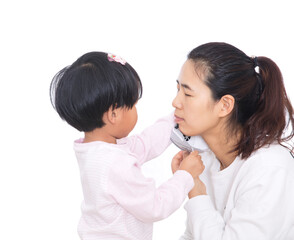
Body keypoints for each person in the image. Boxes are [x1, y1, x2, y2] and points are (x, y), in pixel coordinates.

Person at [49, 51, 204, 240]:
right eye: (133, 105)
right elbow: (155, 206)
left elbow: (144, 144)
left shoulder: (96, 149)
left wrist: (175, 117)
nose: (135, 110)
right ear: (113, 115)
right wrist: (185, 175)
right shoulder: (114, 163)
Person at [172, 42, 294, 239]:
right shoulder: (207, 162)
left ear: (225, 105)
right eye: (177, 90)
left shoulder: (269, 168)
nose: (175, 102)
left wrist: (196, 193)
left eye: (187, 93)